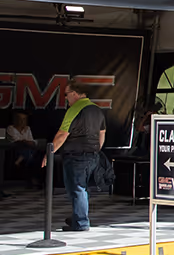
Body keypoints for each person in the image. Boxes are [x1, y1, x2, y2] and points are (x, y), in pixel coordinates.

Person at [43, 84, 105, 231]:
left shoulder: (74, 109)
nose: (65, 98)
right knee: (82, 188)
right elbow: (102, 133)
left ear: (75, 94)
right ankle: (78, 216)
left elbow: (62, 134)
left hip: (76, 155)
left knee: (77, 189)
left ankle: (81, 223)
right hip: (92, 155)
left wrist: (49, 152)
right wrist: (96, 150)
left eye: (66, 94)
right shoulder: (97, 110)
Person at [5, 111, 44, 184]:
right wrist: (25, 141)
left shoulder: (27, 128)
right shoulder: (10, 128)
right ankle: (32, 178)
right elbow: (15, 140)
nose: (22, 121)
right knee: (31, 155)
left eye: (24, 119)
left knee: (33, 154)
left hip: (28, 149)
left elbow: (31, 140)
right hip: (15, 150)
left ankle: (19, 161)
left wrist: (26, 141)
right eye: (20, 119)